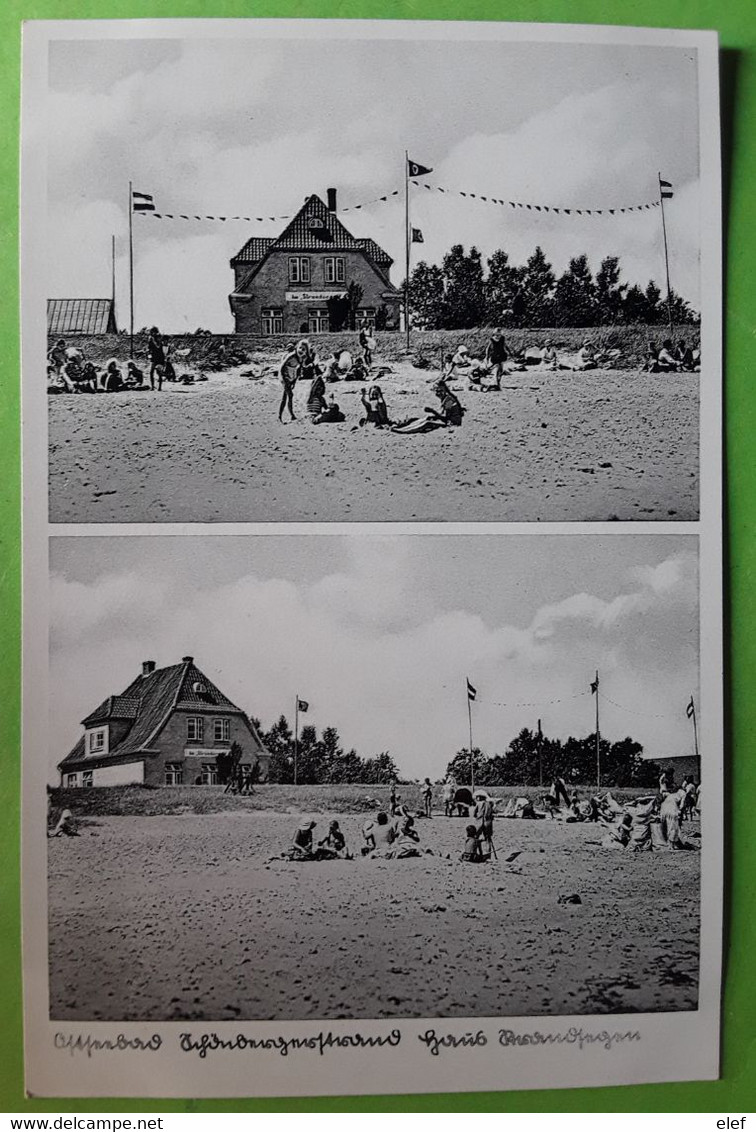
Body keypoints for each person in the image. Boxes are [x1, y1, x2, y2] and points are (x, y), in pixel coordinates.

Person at [278, 343, 299, 422]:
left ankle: (282, 415)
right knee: (289, 396)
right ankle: (290, 415)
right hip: (285, 379)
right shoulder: (288, 357)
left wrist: (294, 380)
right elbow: (282, 368)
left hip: (290, 378)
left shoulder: (294, 357)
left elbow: (296, 370)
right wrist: (284, 379)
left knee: (285, 397)